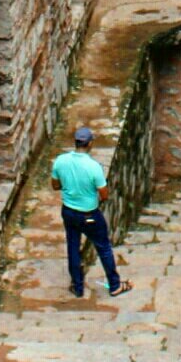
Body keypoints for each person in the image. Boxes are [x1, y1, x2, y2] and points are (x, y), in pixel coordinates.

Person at [51, 125, 133, 300]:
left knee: (73, 247)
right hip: (89, 214)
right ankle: (115, 285)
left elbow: (55, 185)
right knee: (103, 248)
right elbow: (104, 194)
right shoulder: (93, 167)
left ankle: (78, 287)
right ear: (89, 144)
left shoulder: (60, 161)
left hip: (69, 212)